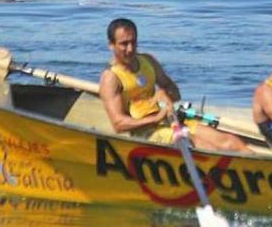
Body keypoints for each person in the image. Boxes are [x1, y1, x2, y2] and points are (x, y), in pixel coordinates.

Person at [99, 18, 249, 152]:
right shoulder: (111, 78)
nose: (130, 49)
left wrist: (165, 95)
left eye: (133, 42)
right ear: (111, 45)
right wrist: (156, 118)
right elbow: (118, 124)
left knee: (229, 141)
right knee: (202, 144)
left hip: (170, 120)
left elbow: (175, 92)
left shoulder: (148, 61)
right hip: (145, 132)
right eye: (124, 44)